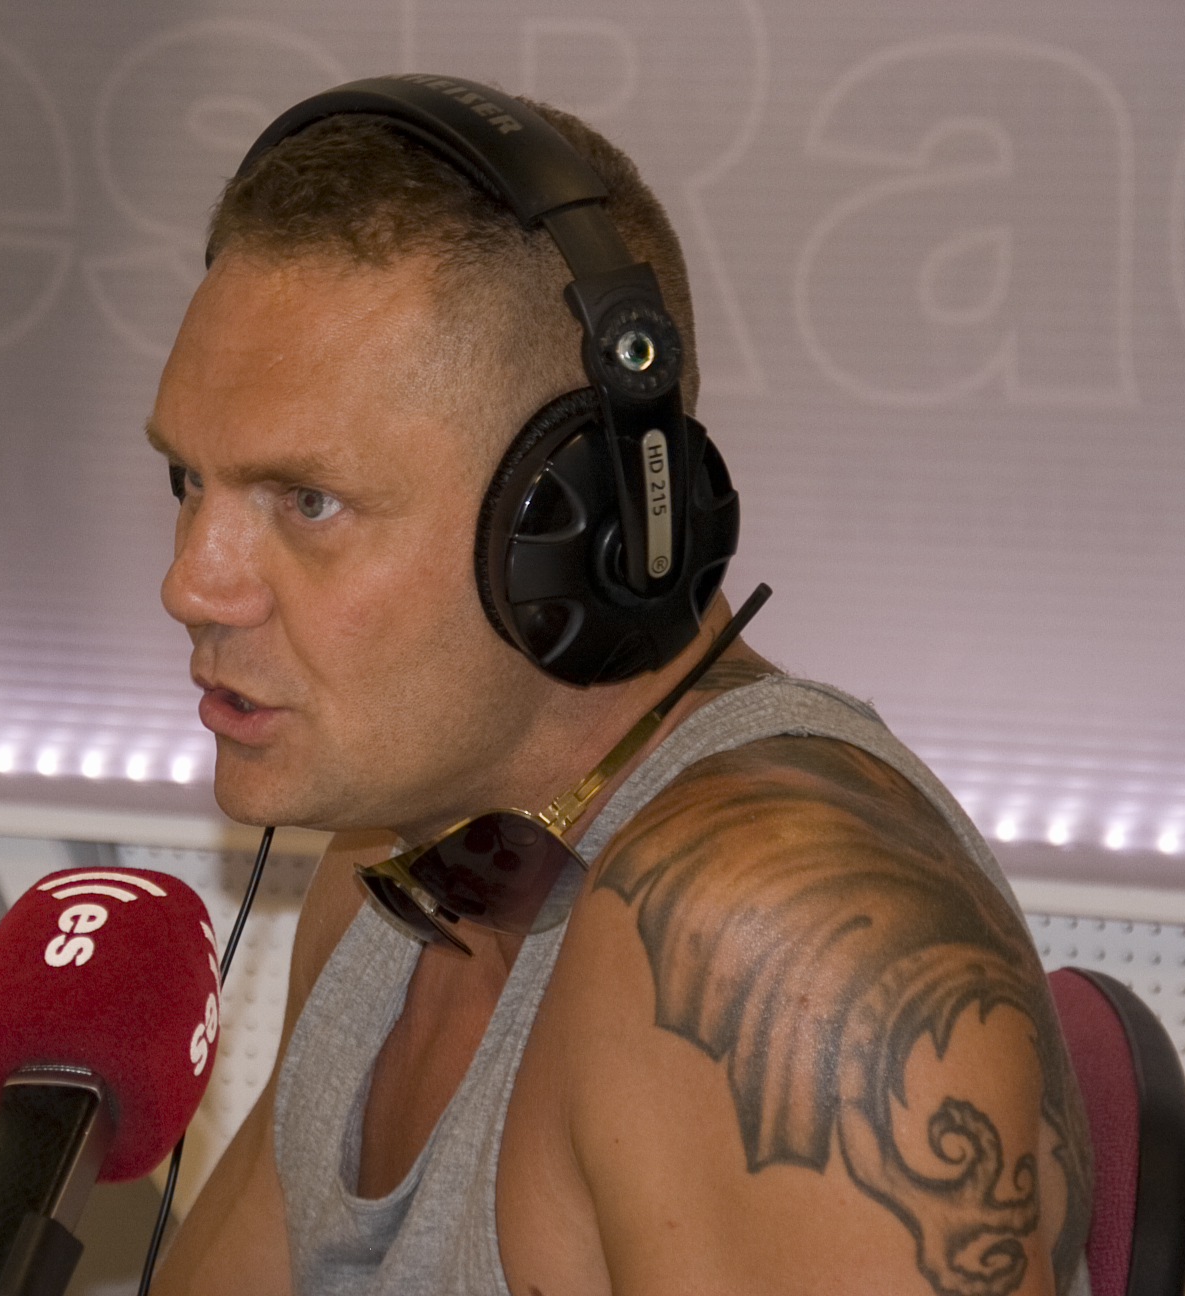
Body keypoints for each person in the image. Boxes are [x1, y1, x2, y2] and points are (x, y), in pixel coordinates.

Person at [144, 77, 1090, 1296]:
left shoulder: (778, 958)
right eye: (188, 483)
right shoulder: (392, 861)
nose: (192, 583)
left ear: (578, 531)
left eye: (308, 501)